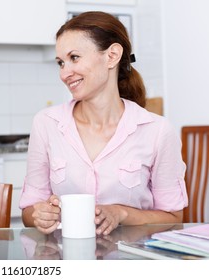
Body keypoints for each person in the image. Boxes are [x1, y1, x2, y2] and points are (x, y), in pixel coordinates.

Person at [20, 11, 188, 236]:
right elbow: (29, 212)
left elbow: (174, 217)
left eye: (74, 58)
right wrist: (39, 215)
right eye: (61, 63)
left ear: (112, 56)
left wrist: (121, 213)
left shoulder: (157, 130)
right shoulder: (46, 123)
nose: (64, 73)